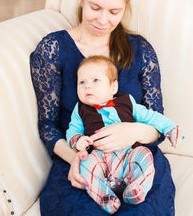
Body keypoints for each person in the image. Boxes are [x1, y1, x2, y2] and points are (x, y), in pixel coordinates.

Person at [30, 0, 176, 215]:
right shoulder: (53, 49)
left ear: (125, 8)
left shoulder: (140, 51)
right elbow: (48, 126)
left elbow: (158, 124)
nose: (103, 20)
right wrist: (78, 159)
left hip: (136, 159)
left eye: (114, 12)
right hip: (82, 159)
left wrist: (134, 132)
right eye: (95, 7)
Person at [66, 56, 183, 214]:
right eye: (82, 82)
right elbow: (72, 130)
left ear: (113, 87)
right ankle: (105, 197)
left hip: (128, 155)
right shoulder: (80, 109)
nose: (87, 86)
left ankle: (135, 189)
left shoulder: (127, 102)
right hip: (99, 157)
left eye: (95, 81)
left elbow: (151, 116)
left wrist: (170, 127)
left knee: (144, 155)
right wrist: (77, 140)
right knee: (85, 165)